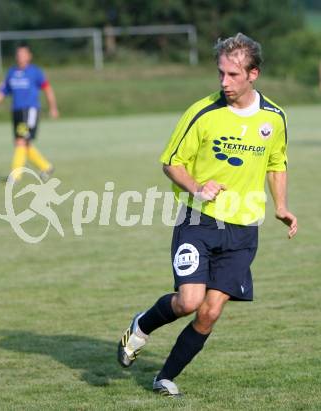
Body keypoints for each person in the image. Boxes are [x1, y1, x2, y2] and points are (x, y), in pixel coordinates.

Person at [117, 33, 298, 397]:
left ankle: (164, 377)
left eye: (232, 75)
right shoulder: (202, 112)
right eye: (220, 73)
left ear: (253, 74)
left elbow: (276, 163)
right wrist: (198, 187)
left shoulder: (274, 119)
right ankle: (141, 326)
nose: (224, 82)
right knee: (188, 301)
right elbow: (171, 164)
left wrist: (280, 205)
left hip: (244, 230)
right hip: (199, 222)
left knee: (210, 312)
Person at [0, 44, 59, 182]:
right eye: (18, 54)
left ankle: (16, 175)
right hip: (17, 112)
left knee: (21, 141)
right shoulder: (11, 72)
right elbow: (2, 92)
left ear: (29, 56)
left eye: (23, 54)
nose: (20, 57)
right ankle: (46, 167)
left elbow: (47, 89)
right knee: (24, 143)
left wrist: (53, 107)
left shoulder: (35, 72)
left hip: (29, 111)